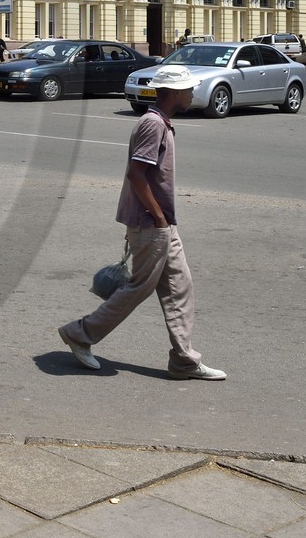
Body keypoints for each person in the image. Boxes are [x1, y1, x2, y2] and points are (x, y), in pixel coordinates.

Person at [57, 64, 226, 381]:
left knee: (180, 288)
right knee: (137, 289)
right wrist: (158, 217)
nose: (192, 93)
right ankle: (80, 334)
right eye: (189, 89)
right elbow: (136, 174)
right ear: (174, 93)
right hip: (153, 223)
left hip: (160, 223)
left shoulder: (161, 122)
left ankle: (184, 361)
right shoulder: (153, 125)